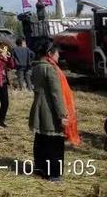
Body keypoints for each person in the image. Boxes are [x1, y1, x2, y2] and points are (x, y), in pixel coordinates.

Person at [30, 42, 79, 181]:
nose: (58, 56)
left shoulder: (37, 66)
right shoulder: (51, 69)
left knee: (41, 139)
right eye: (57, 53)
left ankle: (40, 169)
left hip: (39, 106)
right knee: (54, 142)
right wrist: (62, 115)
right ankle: (54, 174)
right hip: (50, 110)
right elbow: (56, 94)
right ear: (49, 54)